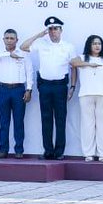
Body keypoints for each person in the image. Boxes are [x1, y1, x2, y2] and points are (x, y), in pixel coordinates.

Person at [20, 16, 76, 160]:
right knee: (46, 119)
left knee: (60, 119)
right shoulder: (41, 44)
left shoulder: (68, 46)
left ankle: (59, 152)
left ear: (61, 30)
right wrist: (39, 35)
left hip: (60, 86)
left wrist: (72, 87)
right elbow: (23, 47)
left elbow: (74, 67)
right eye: (50, 29)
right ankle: (48, 151)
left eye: (55, 29)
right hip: (44, 86)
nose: (53, 32)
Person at [71, 35, 103, 161]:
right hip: (86, 94)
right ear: (89, 45)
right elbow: (72, 63)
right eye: (94, 43)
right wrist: (89, 64)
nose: (97, 46)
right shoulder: (81, 58)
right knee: (87, 124)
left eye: (99, 44)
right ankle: (88, 153)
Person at [0, 29, 33, 158]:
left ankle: (19, 150)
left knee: (19, 121)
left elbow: (29, 72)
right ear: (3, 40)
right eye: (7, 38)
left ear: (17, 40)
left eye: (12, 38)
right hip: (3, 90)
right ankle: (3, 150)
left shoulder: (24, 54)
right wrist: (9, 55)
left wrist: (29, 90)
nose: (9, 40)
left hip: (18, 89)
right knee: (4, 122)